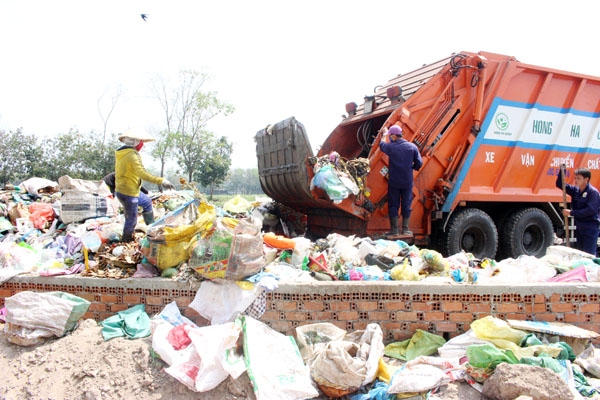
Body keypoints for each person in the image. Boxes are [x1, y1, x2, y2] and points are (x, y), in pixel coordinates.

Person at [115, 127, 175, 242]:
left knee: (147, 202)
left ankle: (152, 230)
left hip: (125, 190)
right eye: (141, 142)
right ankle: (126, 241)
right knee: (131, 220)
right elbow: (142, 173)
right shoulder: (132, 155)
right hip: (129, 193)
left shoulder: (122, 153)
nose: (142, 144)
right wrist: (161, 181)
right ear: (136, 142)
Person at [379, 124, 423, 235]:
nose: (390, 137)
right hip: (407, 181)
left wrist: (384, 134)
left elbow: (382, 145)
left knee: (393, 204)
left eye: (390, 135)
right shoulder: (412, 147)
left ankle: (394, 230)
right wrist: (412, 167)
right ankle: (406, 229)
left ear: (393, 136)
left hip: (394, 182)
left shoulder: (391, 147)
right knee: (406, 204)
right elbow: (419, 163)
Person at [556, 167, 600, 256]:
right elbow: (561, 185)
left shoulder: (593, 193)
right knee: (580, 254)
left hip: (590, 228)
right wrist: (562, 171)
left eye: (578, 178)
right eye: (575, 178)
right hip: (580, 228)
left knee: (589, 255)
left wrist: (571, 213)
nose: (576, 180)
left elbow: (590, 210)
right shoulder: (576, 190)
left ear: (586, 179)